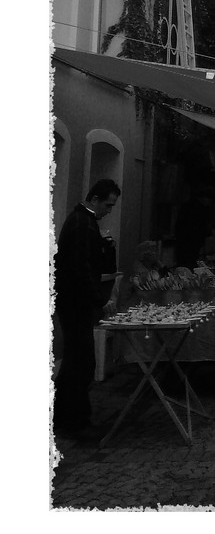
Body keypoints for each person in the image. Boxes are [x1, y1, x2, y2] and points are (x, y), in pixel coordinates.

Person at [53, 179, 121, 438]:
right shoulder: (82, 224)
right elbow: (81, 268)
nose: (109, 211)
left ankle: (64, 415)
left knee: (76, 359)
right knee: (81, 361)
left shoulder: (83, 221)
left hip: (73, 300)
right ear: (95, 199)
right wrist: (99, 300)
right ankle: (76, 420)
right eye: (108, 205)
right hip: (75, 301)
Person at [175, 187, 215, 268]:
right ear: (204, 198)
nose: (210, 203)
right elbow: (196, 228)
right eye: (210, 200)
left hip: (183, 244)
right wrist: (210, 232)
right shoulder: (197, 209)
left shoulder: (188, 206)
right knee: (188, 266)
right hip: (190, 244)